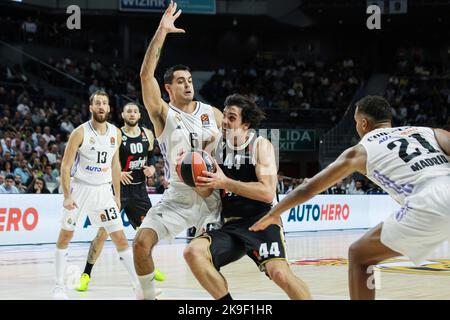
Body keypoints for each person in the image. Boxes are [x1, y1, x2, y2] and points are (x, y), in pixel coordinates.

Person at [250, 95, 450, 300]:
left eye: (355, 122)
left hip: (429, 200)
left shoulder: (359, 151)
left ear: (364, 123)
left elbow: (308, 188)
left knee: (359, 256)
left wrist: (274, 213)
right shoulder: (428, 132)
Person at [133, 1, 223, 300]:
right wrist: (161, 31)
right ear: (168, 88)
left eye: (189, 80)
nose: (187, 85)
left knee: (209, 259)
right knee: (141, 244)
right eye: (180, 81)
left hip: (214, 195)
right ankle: (148, 296)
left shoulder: (213, 113)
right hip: (179, 195)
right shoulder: (163, 114)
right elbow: (146, 76)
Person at [183, 94, 312, 300]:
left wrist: (225, 182)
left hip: (262, 221)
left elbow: (267, 192)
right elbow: (207, 190)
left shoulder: (261, 146)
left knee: (279, 273)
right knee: (193, 252)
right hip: (231, 225)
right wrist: (190, 176)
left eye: (232, 118)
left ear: (246, 124)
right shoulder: (213, 146)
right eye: (224, 115)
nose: (224, 121)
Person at [53, 90, 142, 299]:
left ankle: (138, 285)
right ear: (91, 107)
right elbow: (65, 167)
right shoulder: (79, 132)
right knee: (66, 235)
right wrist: (67, 195)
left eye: (105, 103)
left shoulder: (115, 133)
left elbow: (115, 164)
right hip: (81, 188)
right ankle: (58, 286)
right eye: (97, 103)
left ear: (109, 108)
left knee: (120, 237)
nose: (101, 106)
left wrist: (117, 196)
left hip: (103, 190)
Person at [76, 102, 165, 292]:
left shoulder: (147, 134)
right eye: (128, 111)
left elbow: (151, 157)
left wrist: (151, 168)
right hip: (117, 192)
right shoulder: (115, 134)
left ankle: (148, 267)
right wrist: (115, 174)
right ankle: (86, 274)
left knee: (148, 234)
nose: (132, 114)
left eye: (135, 111)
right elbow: (104, 160)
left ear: (139, 115)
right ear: (123, 115)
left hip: (140, 191)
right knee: (102, 234)